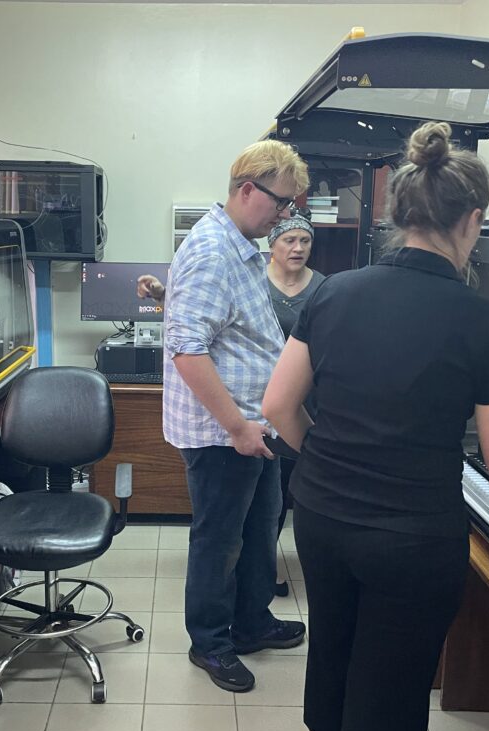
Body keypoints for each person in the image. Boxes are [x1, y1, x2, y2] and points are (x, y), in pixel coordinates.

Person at [262, 121, 489, 731]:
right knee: (388, 694)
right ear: (472, 221)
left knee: (335, 654)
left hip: (322, 516)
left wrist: (328, 460)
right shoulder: (484, 323)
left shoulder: (334, 292)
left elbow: (277, 406)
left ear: (400, 214)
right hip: (409, 540)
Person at [163, 139, 309, 693]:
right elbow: (188, 350)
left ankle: (251, 623)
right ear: (247, 190)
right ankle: (211, 642)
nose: (283, 216)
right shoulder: (212, 252)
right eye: (280, 203)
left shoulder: (240, 244)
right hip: (224, 433)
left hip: (255, 425)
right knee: (219, 540)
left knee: (260, 528)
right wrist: (237, 427)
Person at [264, 210, 324, 597]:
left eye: (305, 241)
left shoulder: (324, 288)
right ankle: (261, 571)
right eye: (290, 240)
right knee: (266, 505)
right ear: (272, 245)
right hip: (262, 405)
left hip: (309, 407)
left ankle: (318, 569)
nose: (298, 247)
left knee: (300, 491)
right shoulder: (255, 284)